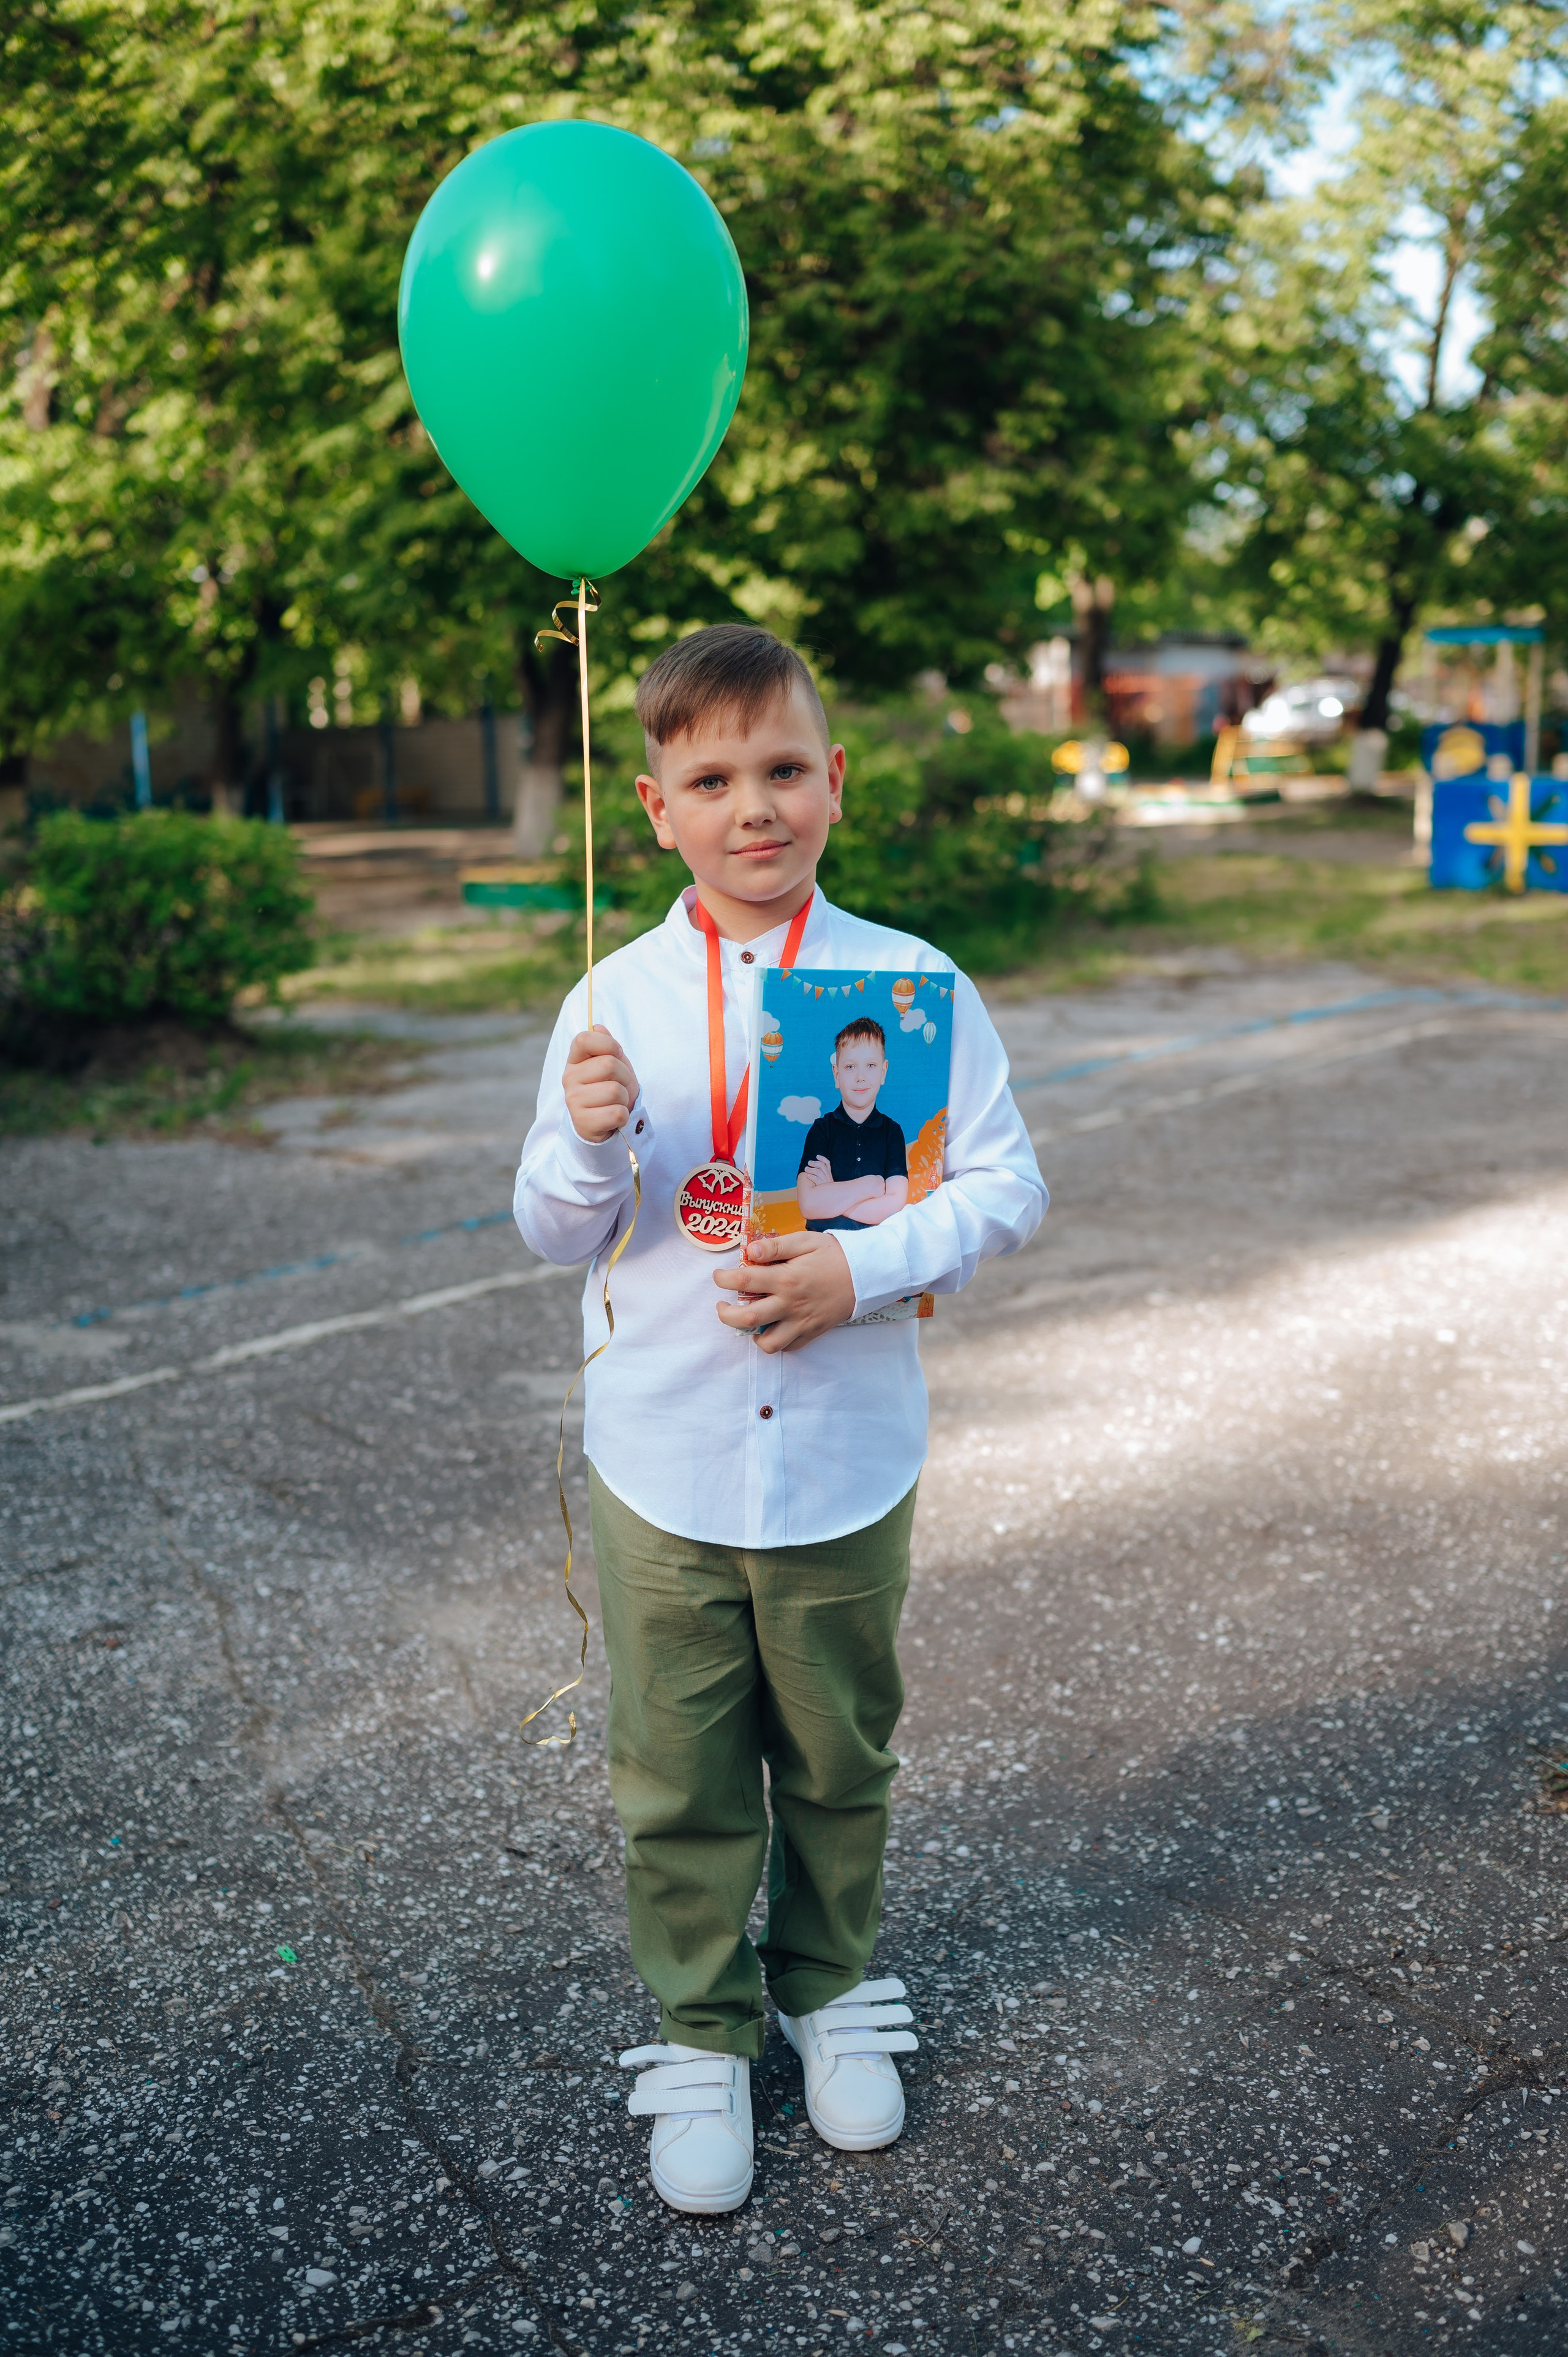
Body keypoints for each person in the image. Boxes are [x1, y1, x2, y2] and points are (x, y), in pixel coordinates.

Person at [514, 624, 1047, 2215]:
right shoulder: (610, 999)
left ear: (836, 782)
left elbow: (1007, 1186)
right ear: (655, 809)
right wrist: (590, 1145)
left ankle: (829, 1981)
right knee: (676, 1766)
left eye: (785, 769)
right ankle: (701, 2023)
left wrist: (863, 1270)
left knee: (835, 1748)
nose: (753, 806)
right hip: (665, 1457)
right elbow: (550, 1229)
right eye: (711, 779)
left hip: (840, 1459)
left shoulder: (911, 986)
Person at [796, 1017, 910, 1232]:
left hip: (875, 1245)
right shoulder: (821, 1130)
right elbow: (809, 1205)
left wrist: (831, 1192)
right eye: (850, 1067)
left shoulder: (892, 1132)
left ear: (883, 1072)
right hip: (822, 1241)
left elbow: (895, 1205)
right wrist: (871, 1186)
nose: (860, 1077)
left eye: (871, 1066)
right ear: (837, 1074)